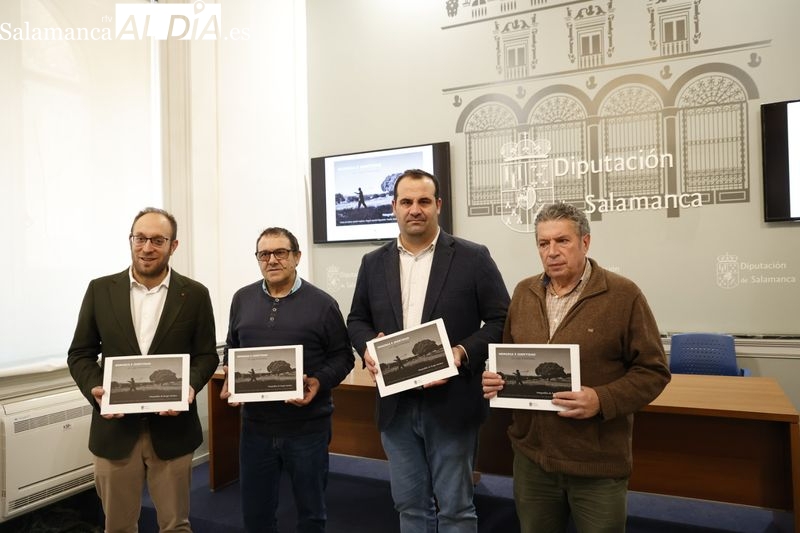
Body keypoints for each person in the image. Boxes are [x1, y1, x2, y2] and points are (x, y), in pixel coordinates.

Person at [482, 202, 671, 533]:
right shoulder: (524, 293)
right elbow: (509, 357)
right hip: (533, 460)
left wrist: (602, 399)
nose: (552, 252)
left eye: (562, 241)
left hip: (596, 464)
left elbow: (654, 371)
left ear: (585, 242)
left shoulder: (623, 295)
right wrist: (496, 378)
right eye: (543, 243)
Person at [347, 169, 510, 532]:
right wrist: (368, 348)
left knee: (455, 509)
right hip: (396, 407)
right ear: (393, 207)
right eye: (406, 201)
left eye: (423, 201)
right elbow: (356, 319)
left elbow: (502, 321)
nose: (415, 209)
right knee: (409, 507)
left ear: (438, 205)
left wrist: (460, 353)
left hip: (452, 404)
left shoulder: (473, 257)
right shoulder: (373, 263)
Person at [67, 207, 218, 533]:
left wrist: (189, 386)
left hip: (173, 431)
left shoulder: (194, 295)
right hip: (115, 433)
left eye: (157, 240)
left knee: (176, 525)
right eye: (141, 238)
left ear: (173, 246)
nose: (147, 247)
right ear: (131, 240)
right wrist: (96, 389)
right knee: (118, 527)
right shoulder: (100, 290)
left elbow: (206, 356)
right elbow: (80, 354)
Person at [219, 227, 354, 533]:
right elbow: (233, 346)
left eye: (280, 252)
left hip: (307, 429)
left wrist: (319, 381)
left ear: (297, 257)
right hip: (255, 428)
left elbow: (344, 357)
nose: (272, 260)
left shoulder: (323, 303)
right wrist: (231, 372)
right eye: (264, 254)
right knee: (256, 515)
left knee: (311, 514)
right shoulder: (242, 298)